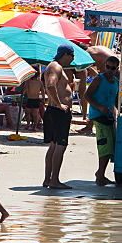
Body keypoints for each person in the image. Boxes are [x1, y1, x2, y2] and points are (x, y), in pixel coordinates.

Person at [43, 45, 75, 190]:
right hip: (57, 111)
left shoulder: (53, 66)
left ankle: (48, 179)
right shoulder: (56, 67)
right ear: (65, 54)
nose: (73, 59)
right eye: (72, 56)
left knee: (53, 145)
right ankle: (54, 179)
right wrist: (60, 104)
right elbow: (50, 85)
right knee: (60, 146)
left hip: (52, 110)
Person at [84, 55, 120, 186]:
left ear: (117, 68)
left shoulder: (116, 81)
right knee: (105, 146)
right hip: (98, 115)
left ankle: (101, 173)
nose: (109, 70)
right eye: (107, 67)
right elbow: (87, 95)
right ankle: (100, 175)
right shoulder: (99, 79)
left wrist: (117, 111)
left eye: (112, 68)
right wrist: (99, 106)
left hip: (109, 116)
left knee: (111, 146)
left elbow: (115, 99)